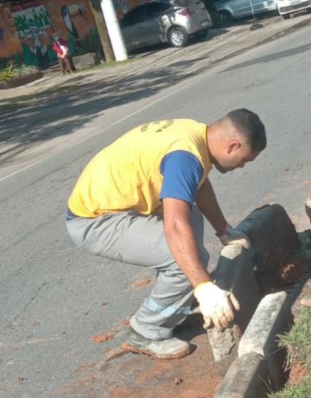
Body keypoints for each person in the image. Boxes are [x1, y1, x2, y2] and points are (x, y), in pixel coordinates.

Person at [65, 111, 267, 359]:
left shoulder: (195, 134)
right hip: (94, 221)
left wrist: (223, 230)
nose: (242, 166)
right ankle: (146, 330)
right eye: (245, 159)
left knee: (189, 220)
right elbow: (175, 226)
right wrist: (203, 286)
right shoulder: (185, 157)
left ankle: (176, 303)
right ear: (232, 146)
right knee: (184, 259)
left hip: (117, 206)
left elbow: (198, 183)